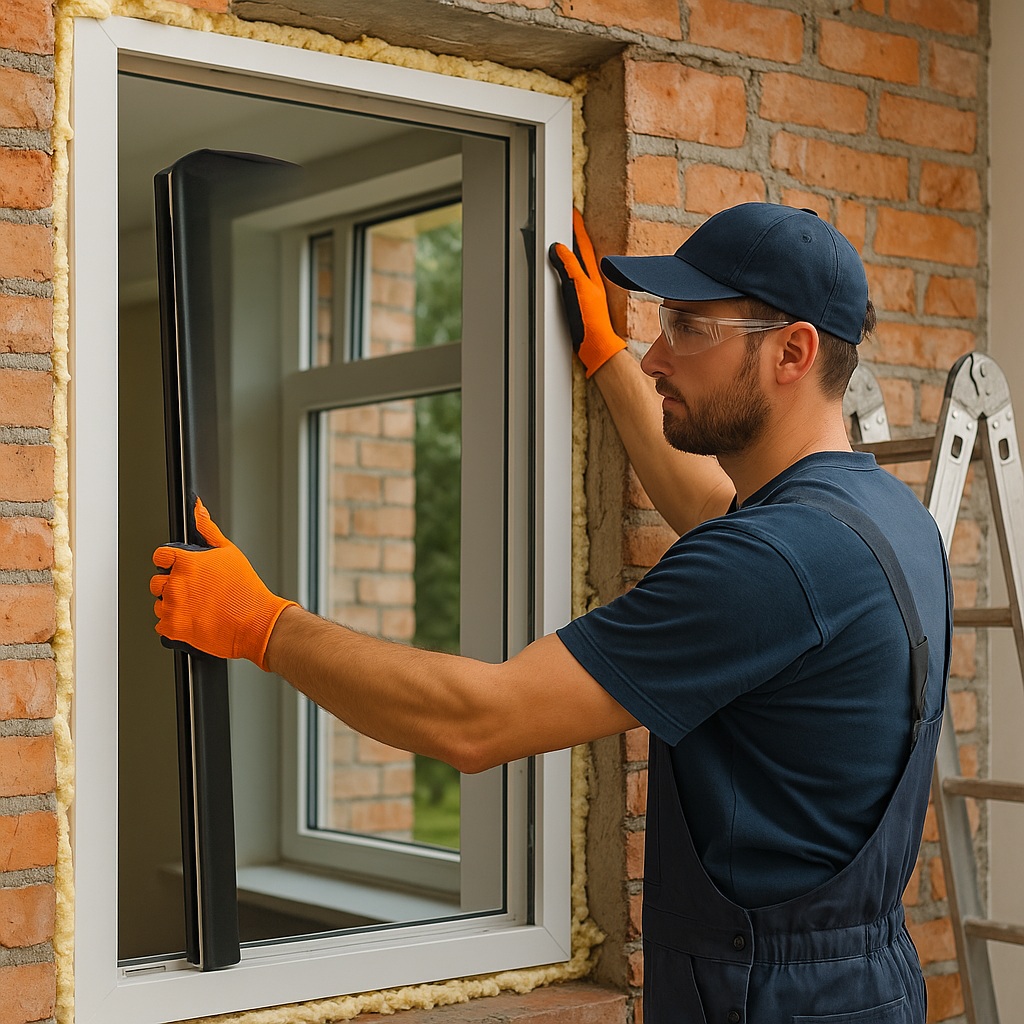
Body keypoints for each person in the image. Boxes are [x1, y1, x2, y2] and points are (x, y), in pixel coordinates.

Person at [151, 202, 951, 1023]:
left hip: (770, 1003)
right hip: (863, 985)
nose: (653, 357)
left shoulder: (774, 561)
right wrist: (600, 358)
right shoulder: (883, 518)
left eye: (688, 329)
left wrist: (260, 624)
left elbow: (477, 720)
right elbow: (711, 506)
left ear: (792, 351)